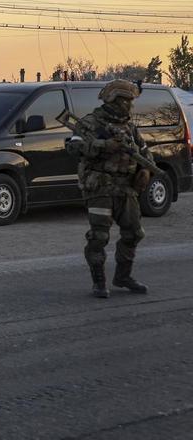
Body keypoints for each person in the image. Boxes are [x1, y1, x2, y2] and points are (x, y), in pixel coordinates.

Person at [64, 79, 154, 298]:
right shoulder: (90, 123)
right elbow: (73, 147)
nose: (131, 107)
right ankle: (99, 282)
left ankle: (123, 277)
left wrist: (146, 170)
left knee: (134, 233)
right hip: (100, 187)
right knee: (99, 236)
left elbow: (145, 152)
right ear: (116, 101)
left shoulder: (130, 127)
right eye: (128, 102)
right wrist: (104, 146)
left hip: (126, 188)